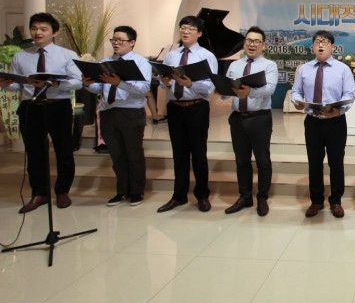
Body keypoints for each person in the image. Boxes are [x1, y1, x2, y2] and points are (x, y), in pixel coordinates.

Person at [0, 13, 82, 213]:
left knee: (63, 150)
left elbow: (78, 82)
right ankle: (40, 193)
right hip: (31, 106)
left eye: (43, 29)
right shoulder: (21, 56)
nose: (38, 32)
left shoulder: (67, 55)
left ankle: (62, 191)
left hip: (58, 106)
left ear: (55, 32)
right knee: (35, 151)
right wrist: (6, 84)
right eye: (34, 28)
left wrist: (56, 83)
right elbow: (17, 85)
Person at [83, 26, 151, 206]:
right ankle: (121, 191)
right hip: (108, 112)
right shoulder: (106, 61)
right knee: (117, 155)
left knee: (133, 153)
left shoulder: (140, 62)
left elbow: (144, 89)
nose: (116, 43)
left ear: (132, 42)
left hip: (130, 112)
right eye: (114, 40)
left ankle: (136, 191)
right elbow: (100, 88)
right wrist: (88, 85)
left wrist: (119, 83)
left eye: (121, 40)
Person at [156, 16, 218, 213]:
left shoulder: (207, 56)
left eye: (191, 28)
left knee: (199, 153)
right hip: (175, 107)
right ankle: (179, 195)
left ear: (199, 33)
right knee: (179, 153)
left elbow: (210, 86)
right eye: (183, 27)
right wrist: (165, 83)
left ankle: (202, 195)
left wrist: (190, 83)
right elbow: (163, 82)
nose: (185, 31)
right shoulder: (171, 55)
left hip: (197, 107)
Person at [291, 30, 355, 218]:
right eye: (317, 41)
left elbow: (349, 95)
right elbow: (296, 91)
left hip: (335, 122)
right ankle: (316, 201)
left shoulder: (343, 69)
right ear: (312, 47)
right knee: (314, 162)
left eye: (325, 42)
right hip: (313, 123)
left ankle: (336, 201)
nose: (321, 44)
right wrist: (297, 101)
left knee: (336, 163)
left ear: (332, 47)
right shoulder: (304, 69)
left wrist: (338, 111)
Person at [223, 26, 278, 217]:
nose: (251, 44)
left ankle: (262, 198)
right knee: (241, 160)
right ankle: (245, 196)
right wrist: (221, 90)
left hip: (259, 118)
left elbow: (270, 89)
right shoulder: (234, 65)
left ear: (263, 45)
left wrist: (250, 92)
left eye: (256, 41)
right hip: (237, 118)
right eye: (248, 40)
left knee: (262, 160)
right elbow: (227, 90)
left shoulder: (269, 65)